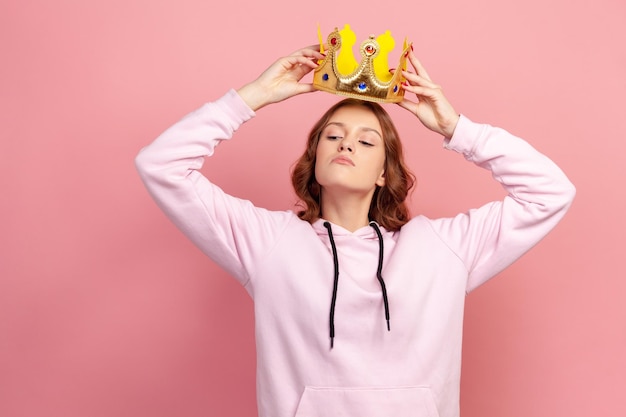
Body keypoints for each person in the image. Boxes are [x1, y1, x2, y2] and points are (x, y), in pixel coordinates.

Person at [135, 44, 575, 417]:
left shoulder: (444, 248)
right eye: (333, 136)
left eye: (366, 141)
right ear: (314, 159)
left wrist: (455, 128)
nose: (346, 143)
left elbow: (550, 192)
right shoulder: (267, 241)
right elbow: (160, 165)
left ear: (385, 172)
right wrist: (253, 97)